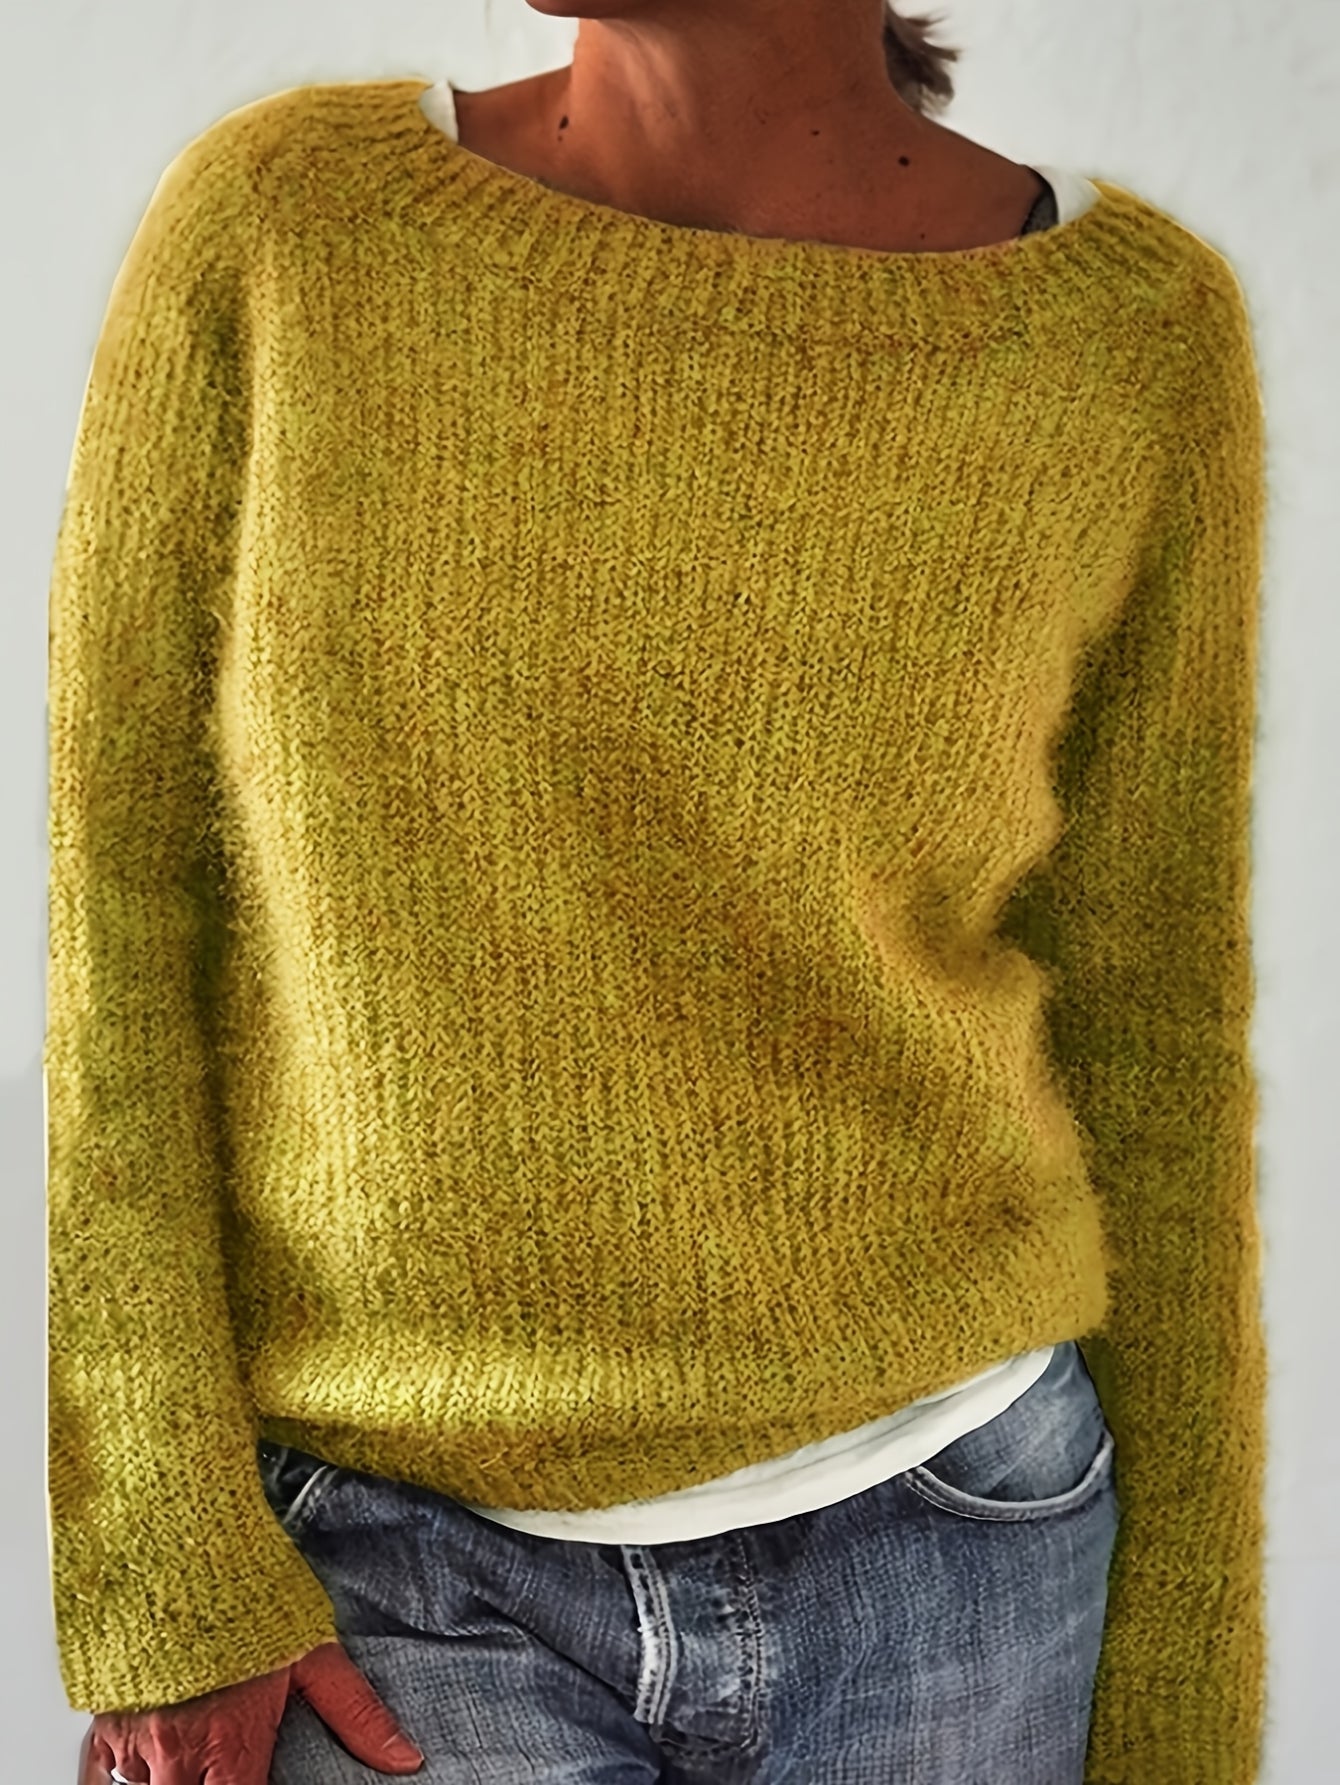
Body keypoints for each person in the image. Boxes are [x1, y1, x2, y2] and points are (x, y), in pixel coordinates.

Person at [45, 0, 1270, 1781]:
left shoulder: (1126, 341)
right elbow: (117, 912)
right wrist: (161, 1558)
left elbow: (1155, 1031)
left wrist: (1182, 1713)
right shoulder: (288, 230)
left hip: (967, 1554)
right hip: (393, 1566)